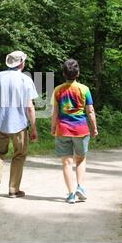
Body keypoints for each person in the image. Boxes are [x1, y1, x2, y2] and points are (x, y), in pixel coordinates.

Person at [0, 50, 39, 201]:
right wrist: (34, 127)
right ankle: (13, 189)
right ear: (21, 63)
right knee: (19, 155)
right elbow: (30, 107)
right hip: (19, 125)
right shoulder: (25, 80)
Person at [51, 59, 98, 204]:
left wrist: (53, 127)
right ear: (77, 73)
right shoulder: (84, 89)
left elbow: (55, 112)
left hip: (63, 129)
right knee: (81, 159)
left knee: (66, 162)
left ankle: (71, 194)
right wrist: (94, 127)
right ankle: (80, 187)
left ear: (64, 73)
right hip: (81, 130)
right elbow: (90, 111)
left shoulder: (58, 90)